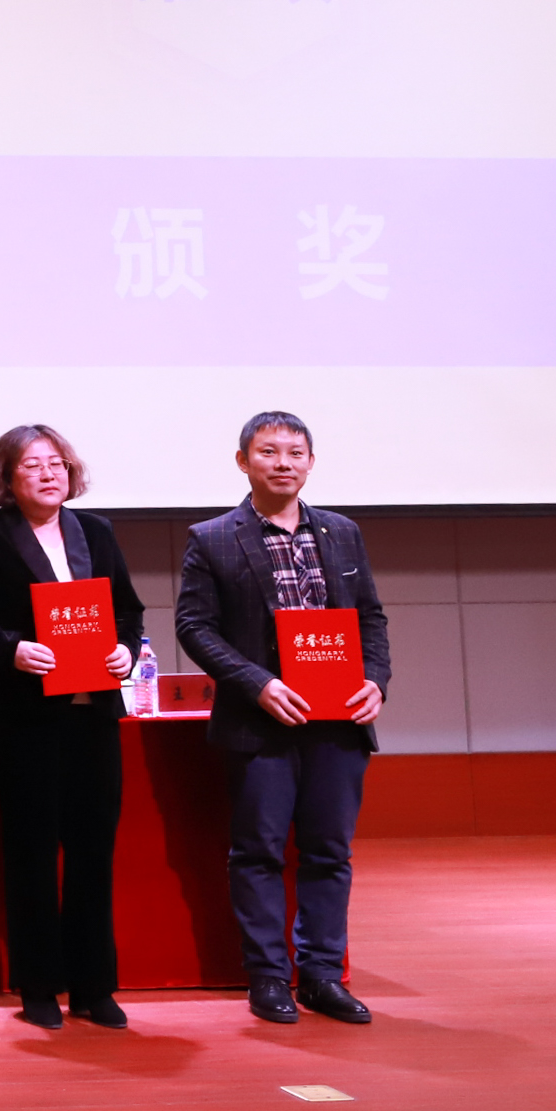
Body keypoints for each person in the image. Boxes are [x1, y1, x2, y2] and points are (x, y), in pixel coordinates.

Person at [177, 411, 391, 1026]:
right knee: (258, 853)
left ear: (311, 463)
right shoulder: (212, 538)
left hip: (338, 721)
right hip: (260, 722)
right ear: (244, 461)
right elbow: (194, 627)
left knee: (329, 853)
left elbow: (370, 618)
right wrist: (258, 684)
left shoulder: (342, 532)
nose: (283, 463)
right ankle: (268, 977)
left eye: (295, 453)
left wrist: (376, 682)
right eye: (269, 452)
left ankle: (322, 976)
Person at [0, 426, 142, 1031]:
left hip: (93, 714)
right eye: (32, 465)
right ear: (7, 477)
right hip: (27, 717)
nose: (49, 474)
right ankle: (39, 986)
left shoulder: (95, 531)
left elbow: (128, 611)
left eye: (57, 464)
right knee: (31, 852)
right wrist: (11, 649)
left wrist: (125, 650)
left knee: (93, 851)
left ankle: (94, 986)